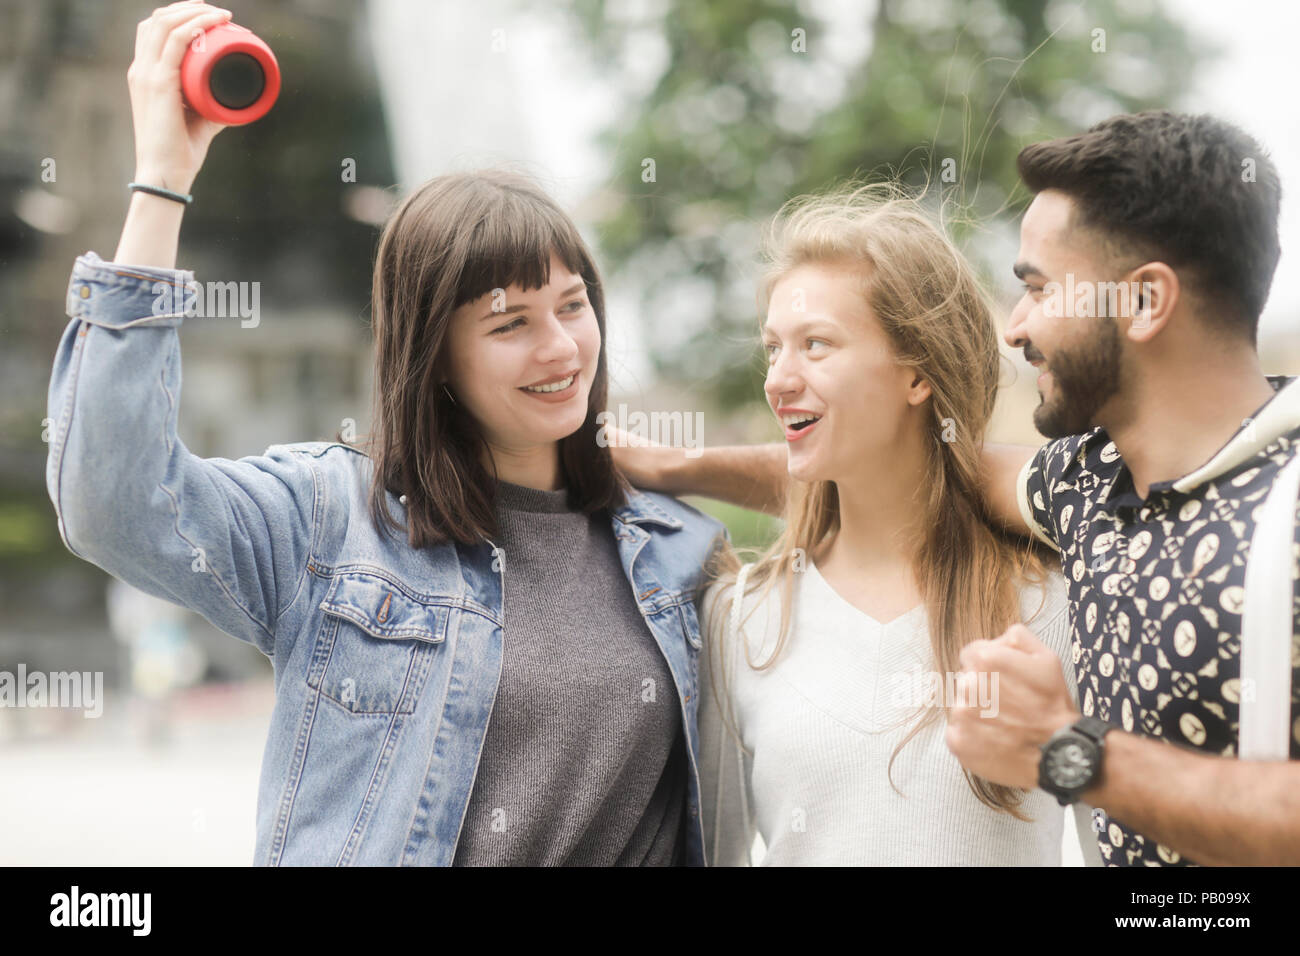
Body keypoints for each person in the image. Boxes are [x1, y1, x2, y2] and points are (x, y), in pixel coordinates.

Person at [46, 1, 726, 866]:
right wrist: (161, 180)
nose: (561, 348)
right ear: (432, 353)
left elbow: (894, 500)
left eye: (572, 304)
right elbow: (115, 504)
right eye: (509, 322)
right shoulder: (334, 522)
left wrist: (709, 466)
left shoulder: (680, 552)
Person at [618, 111, 1300, 866]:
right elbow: (910, 460)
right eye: (774, 348)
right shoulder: (1083, 494)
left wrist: (1068, 754)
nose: (1015, 327)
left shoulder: (1267, 512)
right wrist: (681, 466)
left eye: (1040, 289)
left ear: (1143, 302)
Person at [693, 182, 1101, 865]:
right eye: (773, 348)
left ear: (917, 374)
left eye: (815, 345)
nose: (778, 380)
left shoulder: (1056, 603)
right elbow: (713, 854)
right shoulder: (740, 622)